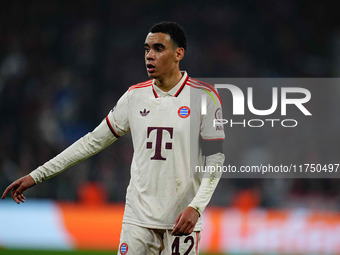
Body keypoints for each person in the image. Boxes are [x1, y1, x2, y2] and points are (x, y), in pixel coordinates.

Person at [2, 21, 225, 255]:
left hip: (182, 219)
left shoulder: (204, 97)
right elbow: (91, 142)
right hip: (137, 220)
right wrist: (36, 175)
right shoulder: (134, 96)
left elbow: (216, 161)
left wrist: (196, 207)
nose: (149, 55)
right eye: (147, 49)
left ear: (179, 53)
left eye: (158, 49)